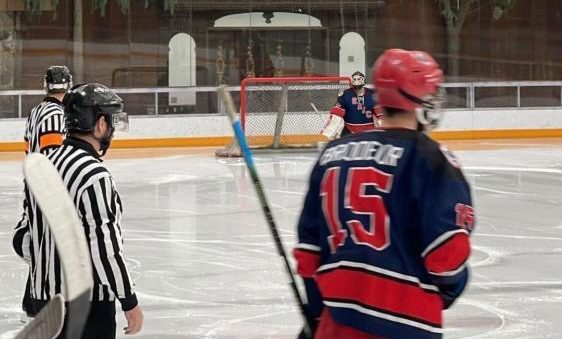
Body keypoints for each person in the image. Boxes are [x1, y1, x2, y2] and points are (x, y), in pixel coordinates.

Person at [293, 49, 474, 339]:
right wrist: (449, 290)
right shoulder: (431, 160)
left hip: (336, 321)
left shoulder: (332, 154)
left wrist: (316, 312)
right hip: (407, 322)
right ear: (418, 100)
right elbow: (447, 253)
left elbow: (309, 252)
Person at [13, 83, 143, 339]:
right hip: (86, 307)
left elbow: (22, 239)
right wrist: (129, 301)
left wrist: (48, 269)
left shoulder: (44, 165)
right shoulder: (95, 176)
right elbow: (104, 249)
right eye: (111, 122)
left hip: (44, 304)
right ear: (100, 124)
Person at [12, 65, 72, 318]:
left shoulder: (37, 111)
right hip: (47, 189)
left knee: (41, 243)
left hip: (33, 185)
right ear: (68, 85)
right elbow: (52, 153)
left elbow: (29, 149)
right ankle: (41, 302)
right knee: (51, 246)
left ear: (46, 85)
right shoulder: (56, 113)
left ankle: (31, 300)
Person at [322, 71, 382, 140]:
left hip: (368, 134)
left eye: (359, 79)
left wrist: (384, 134)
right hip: (349, 133)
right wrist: (328, 135)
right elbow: (336, 117)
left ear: (363, 81)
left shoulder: (372, 94)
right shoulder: (346, 94)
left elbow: (381, 117)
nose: (357, 81)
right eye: (355, 79)